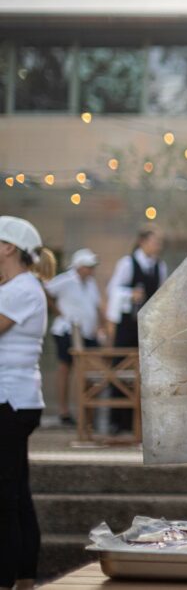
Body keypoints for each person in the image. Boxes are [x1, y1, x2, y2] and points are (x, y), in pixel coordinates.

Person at [0, 216, 57, 590]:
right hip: (16, 400)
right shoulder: (21, 286)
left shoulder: (19, 288)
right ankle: (22, 577)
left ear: (7, 247)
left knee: (5, 495)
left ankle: (8, 577)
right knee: (14, 491)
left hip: (10, 400)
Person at [105, 227, 167, 433]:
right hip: (127, 325)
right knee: (121, 368)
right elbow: (113, 289)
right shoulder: (127, 263)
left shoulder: (160, 266)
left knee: (146, 372)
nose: (157, 245)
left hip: (148, 327)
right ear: (142, 242)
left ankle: (141, 423)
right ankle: (117, 421)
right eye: (154, 241)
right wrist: (130, 295)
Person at [45, 248, 105, 426]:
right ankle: (64, 411)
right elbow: (45, 291)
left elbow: (96, 307)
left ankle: (88, 413)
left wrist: (100, 326)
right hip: (67, 330)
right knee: (65, 368)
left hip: (87, 332)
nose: (92, 270)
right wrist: (57, 312)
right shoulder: (66, 280)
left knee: (91, 371)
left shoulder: (91, 283)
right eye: (88, 266)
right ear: (79, 266)